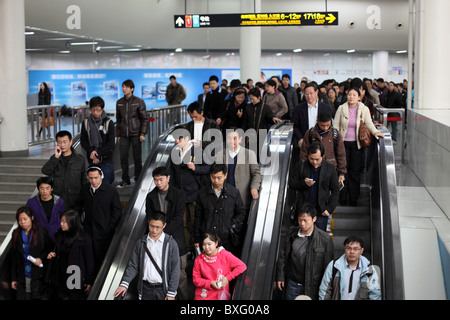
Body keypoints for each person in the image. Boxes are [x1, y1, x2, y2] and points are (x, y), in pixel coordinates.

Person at [333, 87, 384, 206]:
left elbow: (368, 123)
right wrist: (335, 141)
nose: (351, 97)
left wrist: (375, 132)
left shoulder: (363, 109)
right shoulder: (341, 108)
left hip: (357, 145)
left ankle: (353, 198)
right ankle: (343, 197)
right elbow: (335, 126)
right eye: (349, 94)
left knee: (355, 172)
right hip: (343, 144)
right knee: (342, 171)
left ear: (359, 97)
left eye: (354, 95)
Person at [114, 211, 180, 300]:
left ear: (164, 226)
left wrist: (171, 293)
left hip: (163, 289)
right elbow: (133, 265)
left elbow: (175, 269)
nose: (154, 230)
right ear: (148, 222)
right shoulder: (141, 243)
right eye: (152, 226)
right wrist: (125, 283)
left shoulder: (170, 243)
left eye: (158, 227)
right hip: (145, 289)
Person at [145, 166, 188, 300]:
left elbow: (178, 217)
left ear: (168, 178)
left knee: (180, 276)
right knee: (161, 273)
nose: (158, 183)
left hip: (176, 239)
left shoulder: (179, 194)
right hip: (157, 240)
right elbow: (149, 216)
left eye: (161, 179)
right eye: (156, 180)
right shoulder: (151, 196)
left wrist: (161, 232)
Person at [275, 203, 334, 300]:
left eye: (306, 220)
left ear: (314, 219)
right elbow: (283, 257)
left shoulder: (325, 239)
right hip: (293, 284)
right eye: (300, 220)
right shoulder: (291, 234)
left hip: (313, 287)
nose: (302, 223)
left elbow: (328, 268)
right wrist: (280, 276)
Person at [76, 166, 122, 275]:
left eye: (96, 178)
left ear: (101, 176)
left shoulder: (111, 191)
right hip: (89, 231)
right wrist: (81, 225)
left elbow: (117, 210)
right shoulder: (85, 189)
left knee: (103, 258)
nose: (93, 181)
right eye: (91, 178)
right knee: (89, 258)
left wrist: (109, 226)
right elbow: (78, 206)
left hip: (105, 233)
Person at [170, 132, 211, 253]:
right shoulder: (175, 152)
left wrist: (195, 168)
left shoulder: (197, 151)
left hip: (194, 194)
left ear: (187, 138)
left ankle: (197, 247)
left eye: (179, 138)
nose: (177, 141)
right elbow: (172, 173)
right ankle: (187, 248)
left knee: (195, 222)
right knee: (182, 223)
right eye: (175, 139)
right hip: (180, 194)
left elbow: (208, 167)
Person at [193, 164, 247, 256]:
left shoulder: (233, 192)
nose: (216, 181)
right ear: (210, 176)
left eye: (219, 177)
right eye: (213, 177)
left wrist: (231, 223)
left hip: (226, 238)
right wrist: (197, 238)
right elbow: (198, 216)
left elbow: (241, 212)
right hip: (208, 238)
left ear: (225, 175)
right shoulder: (202, 193)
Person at [289, 142, 340, 231]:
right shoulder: (301, 166)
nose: (314, 162)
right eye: (311, 159)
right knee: (302, 240)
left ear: (322, 157)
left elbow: (336, 190)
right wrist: (303, 183)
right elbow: (292, 183)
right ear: (308, 156)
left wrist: (329, 209)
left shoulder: (330, 169)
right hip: (303, 211)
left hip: (321, 211)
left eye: (317, 159)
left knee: (318, 241)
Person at [47, 210, 95, 300]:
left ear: (72, 222)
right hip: (60, 275)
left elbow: (90, 261)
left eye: (64, 222)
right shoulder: (59, 235)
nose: (61, 224)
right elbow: (57, 252)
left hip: (75, 276)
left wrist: (89, 280)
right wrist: (52, 254)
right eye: (61, 221)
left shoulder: (84, 238)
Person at [319, 236, 381, 300]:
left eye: (355, 249)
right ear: (344, 249)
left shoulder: (370, 270)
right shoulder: (334, 266)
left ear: (362, 250)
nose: (352, 252)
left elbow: (375, 295)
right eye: (348, 248)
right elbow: (324, 291)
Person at [215, 128, 262, 211]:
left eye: (235, 138)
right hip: (224, 195)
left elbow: (256, 173)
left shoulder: (249, 154)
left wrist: (254, 187)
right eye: (229, 138)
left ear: (240, 139)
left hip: (242, 195)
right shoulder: (220, 154)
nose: (231, 141)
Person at [10, 206, 51, 300]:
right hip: (22, 274)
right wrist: (13, 278)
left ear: (32, 218)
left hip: (38, 274)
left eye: (25, 219)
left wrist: (41, 258)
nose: (22, 222)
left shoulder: (41, 232)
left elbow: (49, 249)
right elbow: (13, 257)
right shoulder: (16, 233)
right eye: (19, 219)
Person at [192, 232, 247, 300]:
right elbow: (196, 280)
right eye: (204, 244)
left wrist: (227, 278)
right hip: (202, 295)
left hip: (219, 295)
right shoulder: (199, 259)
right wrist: (210, 283)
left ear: (216, 243)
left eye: (209, 244)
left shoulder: (225, 255)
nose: (206, 247)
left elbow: (242, 266)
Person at [41, 130, 87, 210]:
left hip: (75, 201)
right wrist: (55, 157)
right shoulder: (55, 158)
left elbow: (85, 181)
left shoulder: (80, 160)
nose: (62, 145)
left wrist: (83, 200)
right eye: (59, 142)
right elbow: (45, 171)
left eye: (65, 142)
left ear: (70, 141)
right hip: (57, 201)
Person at [116, 79, 149, 188]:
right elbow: (118, 120)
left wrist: (142, 133)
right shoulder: (119, 102)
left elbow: (144, 119)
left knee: (137, 157)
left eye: (126, 87)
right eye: (123, 87)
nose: (124, 89)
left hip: (136, 134)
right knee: (123, 157)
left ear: (132, 88)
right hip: (124, 134)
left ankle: (138, 178)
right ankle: (125, 179)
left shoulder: (139, 102)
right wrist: (119, 134)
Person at [300, 111, 347, 185]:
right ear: (317, 121)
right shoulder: (310, 134)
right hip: (313, 169)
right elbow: (303, 154)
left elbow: (341, 154)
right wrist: (303, 172)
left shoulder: (335, 134)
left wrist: (342, 173)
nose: (325, 128)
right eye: (322, 125)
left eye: (328, 125)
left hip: (330, 169)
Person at [80, 96, 116, 184]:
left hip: (106, 158)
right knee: (94, 183)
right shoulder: (86, 123)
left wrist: (98, 154)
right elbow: (83, 140)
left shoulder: (108, 123)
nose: (95, 112)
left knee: (107, 182)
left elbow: (111, 143)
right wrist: (91, 151)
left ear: (102, 109)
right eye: (93, 110)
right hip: (91, 159)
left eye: (98, 110)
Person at [292, 82, 333, 148]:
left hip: (321, 141)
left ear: (316, 92)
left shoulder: (326, 108)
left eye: (311, 93)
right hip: (305, 141)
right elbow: (296, 126)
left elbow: (329, 126)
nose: (309, 96)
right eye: (306, 94)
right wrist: (300, 138)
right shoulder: (299, 108)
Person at [25, 176, 65, 242]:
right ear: (38, 189)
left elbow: (62, 217)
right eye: (42, 188)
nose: (45, 191)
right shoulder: (31, 202)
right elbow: (27, 217)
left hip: (56, 236)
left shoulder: (59, 201)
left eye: (47, 188)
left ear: (51, 189)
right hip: (39, 237)